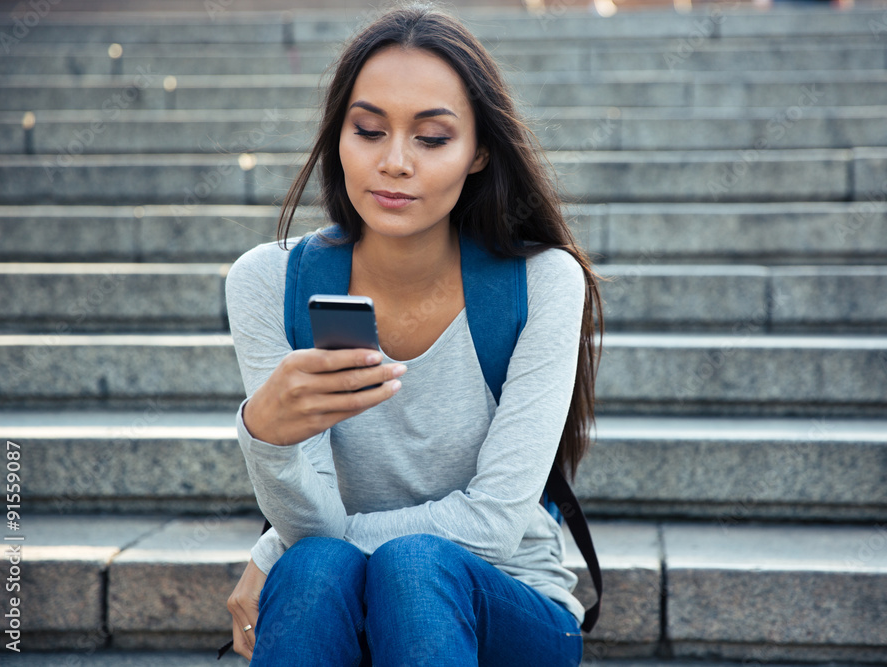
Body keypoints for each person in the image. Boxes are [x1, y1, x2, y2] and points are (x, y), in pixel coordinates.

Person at [223, 3, 603, 665]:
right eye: (368, 130)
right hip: (340, 593)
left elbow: (491, 526)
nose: (394, 161)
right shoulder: (267, 282)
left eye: (431, 138)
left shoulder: (542, 281)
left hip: (510, 602)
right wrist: (266, 435)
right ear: (338, 134)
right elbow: (313, 531)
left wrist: (269, 549)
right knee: (314, 569)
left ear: (479, 150)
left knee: (410, 565)